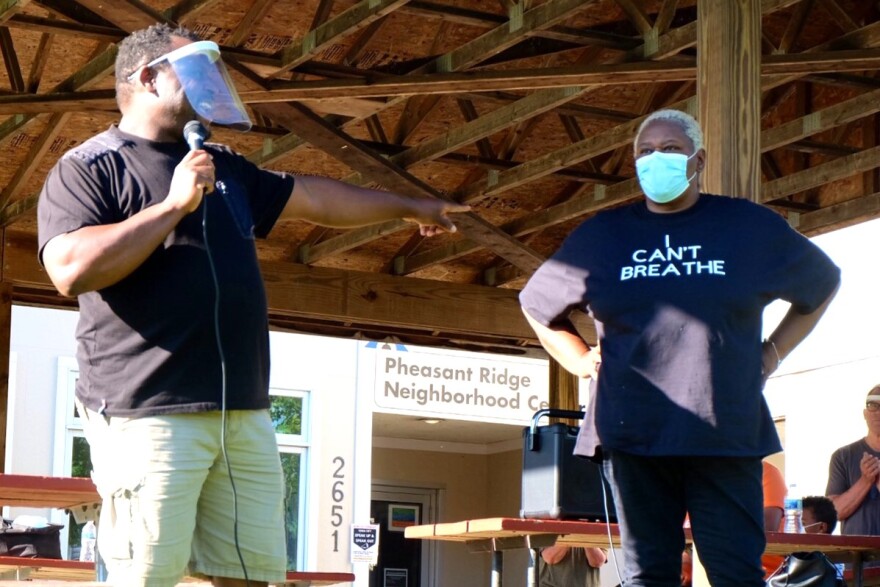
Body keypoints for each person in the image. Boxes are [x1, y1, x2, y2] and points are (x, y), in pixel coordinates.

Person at [36, 24, 467, 587]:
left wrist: (411, 206)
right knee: (143, 577)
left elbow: (312, 196)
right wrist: (171, 206)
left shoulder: (223, 165)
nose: (210, 83)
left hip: (242, 413)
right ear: (145, 78)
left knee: (252, 575)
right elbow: (70, 270)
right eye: (192, 70)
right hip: (147, 410)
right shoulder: (88, 167)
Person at [519, 108, 840, 587]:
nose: (656, 160)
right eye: (645, 152)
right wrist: (580, 359)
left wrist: (772, 354)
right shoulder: (602, 237)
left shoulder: (746, 226)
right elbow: (536, 305)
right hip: (632, 433)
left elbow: (823, 282)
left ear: (698, 159)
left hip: (725, 429)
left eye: (669, 150)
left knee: (734, 572)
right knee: (649, 576)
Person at [826, 384, 880, 535]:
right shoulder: (843, 456)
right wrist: (866, 480)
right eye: (872, 406)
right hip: (856, 557)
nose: (878, 412)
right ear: (865, 413)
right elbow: (834, 512)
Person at [539, 545, 606, 587]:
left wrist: (584, 538)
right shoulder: (548, 524)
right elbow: (550, 558)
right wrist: (570, 534)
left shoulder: (597, 525)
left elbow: (598, 562)